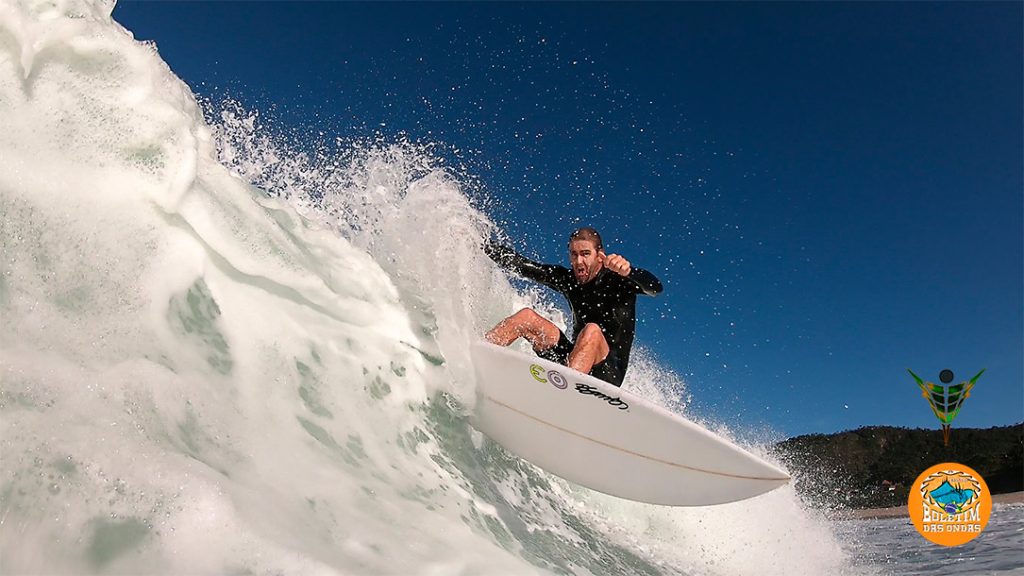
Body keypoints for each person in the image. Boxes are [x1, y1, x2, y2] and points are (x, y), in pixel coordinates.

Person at [483, 227, 662, 387]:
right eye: (573, 254)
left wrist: (629, 271)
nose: (578, 261)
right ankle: (477, 356)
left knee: (591, 330)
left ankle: (564, 396)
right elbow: (522, 265)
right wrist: (481, 242)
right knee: (526, 317)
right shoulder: (568, 280)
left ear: (600, 256)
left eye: (585, 254)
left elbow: (655, 288)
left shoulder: (619, 281)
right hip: (572, 363)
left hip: (606, 374)